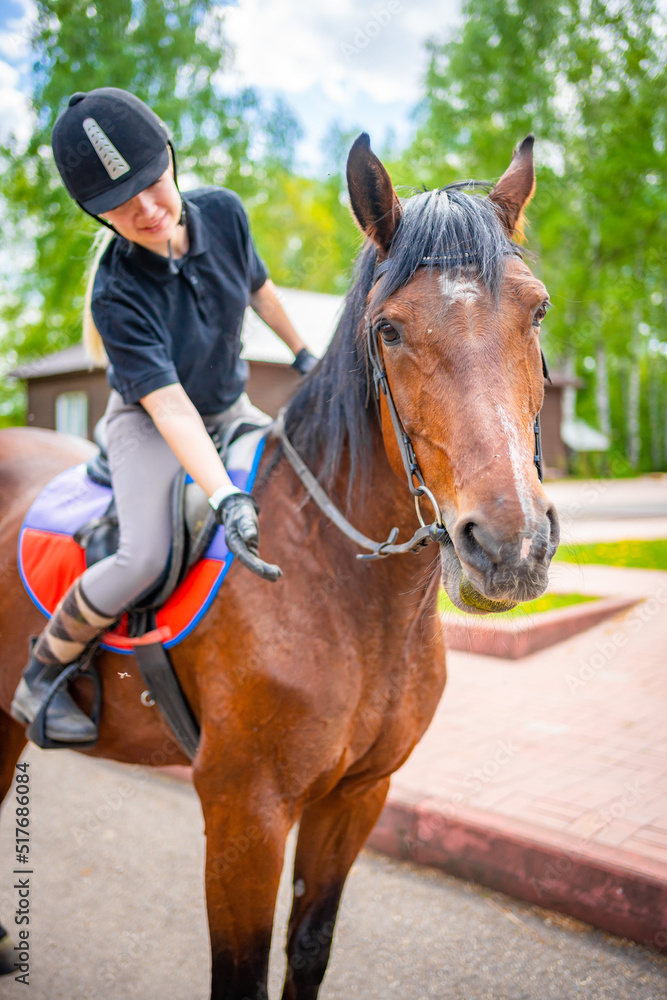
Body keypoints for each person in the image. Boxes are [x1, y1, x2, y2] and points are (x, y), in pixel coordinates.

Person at [11, 87, 316, 744]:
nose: (148, 209)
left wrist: (303, 354)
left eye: (153, 183)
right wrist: (225, 493)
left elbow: (260, 291)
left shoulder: (225, 213)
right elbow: (171, 408)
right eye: (120, 204)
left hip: (229, 402)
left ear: (170, 160)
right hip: (150, 422)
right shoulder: (117, 291)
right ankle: (43, 672)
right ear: (96, 216)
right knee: (144, 555)